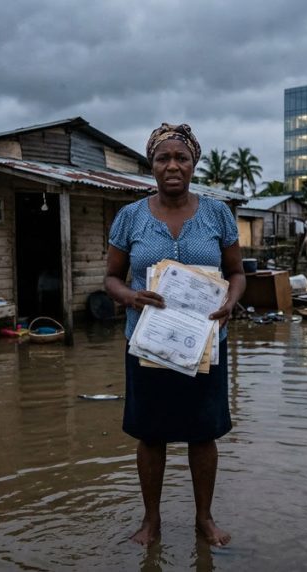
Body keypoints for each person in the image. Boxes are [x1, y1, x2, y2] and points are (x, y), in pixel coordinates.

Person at [104, 123, 246, 548]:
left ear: (193, 163)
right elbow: (111, 278)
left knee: (204, 434)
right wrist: (130, 296)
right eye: (163, 158)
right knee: (151, 434)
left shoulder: (218, 213)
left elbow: (237, 272)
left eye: (180, 158)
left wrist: (230, 301)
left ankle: (205, 520)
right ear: (151, 164)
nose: (172, 166)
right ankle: (152, 523)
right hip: (148, 345)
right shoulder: (130, 217)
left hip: (206, 344)